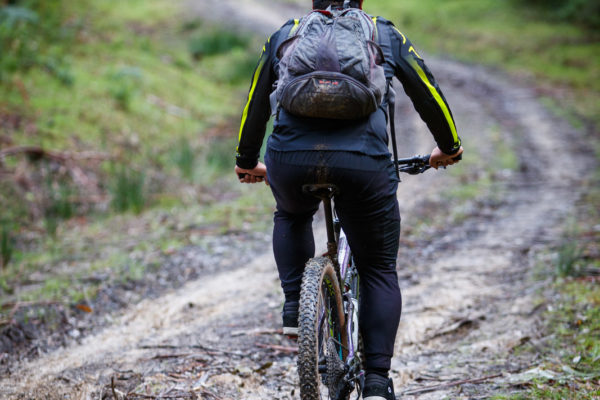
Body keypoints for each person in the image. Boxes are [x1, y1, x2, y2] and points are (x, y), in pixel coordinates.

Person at [234, 0, 463, 398]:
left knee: (291, 214)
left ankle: (295, 308)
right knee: (377, 268)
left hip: (291, 160)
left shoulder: (287, 33)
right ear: (359, 2)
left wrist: (246, 161)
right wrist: (449, 146)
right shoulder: (383, 33)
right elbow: (428, 92)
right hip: (365, 165)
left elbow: (256, 100)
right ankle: (376, 383)